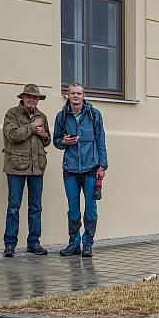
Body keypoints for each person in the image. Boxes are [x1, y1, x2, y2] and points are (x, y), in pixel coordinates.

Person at [53, 83, 108, 258]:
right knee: (73, 208)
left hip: (91, 168)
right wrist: (64, 142)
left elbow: (101, 141)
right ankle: (74, 244)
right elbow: (55, 141)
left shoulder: (94, 115)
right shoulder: (61, 116)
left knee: (91, 208)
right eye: (72, 93)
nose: (76, 96)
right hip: (70, 169)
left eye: (79, 93)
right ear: (67, 95)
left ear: (84, 95)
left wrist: (102, 166)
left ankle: (88, 243)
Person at [2, 83, 52, 257]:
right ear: (22, 98)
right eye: (29, 96)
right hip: (15, 167)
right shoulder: (12, 113)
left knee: (36, 207)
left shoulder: (42, 116)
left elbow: (47, 141)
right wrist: (32, 127)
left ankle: (34, 243)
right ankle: (10, 245)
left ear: (38, 100)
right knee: (14, 207)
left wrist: (43, 134)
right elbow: (12, 135)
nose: (32, 99)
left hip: (37, 168)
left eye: (35, 97)